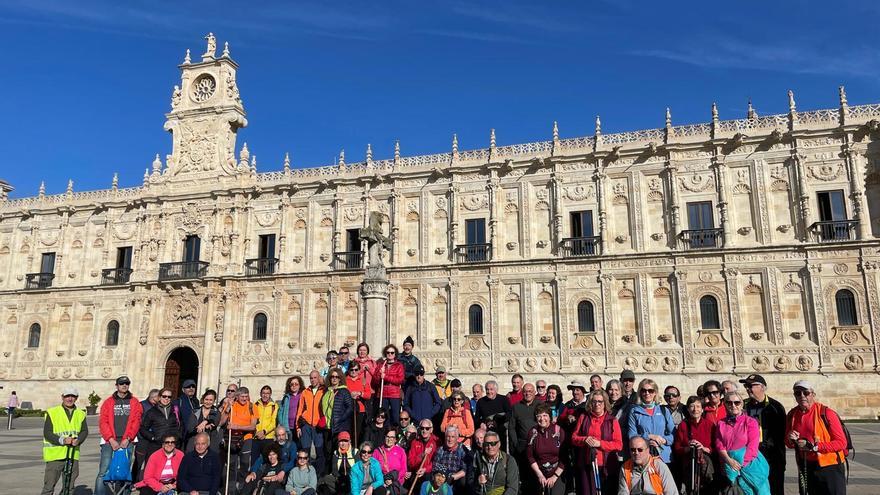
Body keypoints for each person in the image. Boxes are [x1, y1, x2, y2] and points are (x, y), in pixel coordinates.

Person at [784, 380, 848, 495]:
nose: (802, 396)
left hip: (830, 466)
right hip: (806, 465)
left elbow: (841, 443)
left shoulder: (826, 413)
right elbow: (789, 444)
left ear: (813, 394)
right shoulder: (792, 414)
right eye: (798, 393)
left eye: (806, 393)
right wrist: (790, 438)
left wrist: (815, 447)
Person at [714, 391, 770, 494]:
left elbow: (752, 447)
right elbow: (719, 444)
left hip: (750, 465)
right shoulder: (721, 423)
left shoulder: (750, 422)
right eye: (729, 402)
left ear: (742, 404)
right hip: (730, 465)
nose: (733, 405)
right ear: (725, 404)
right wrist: (729, 461)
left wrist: (739, 466)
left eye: (737, 402)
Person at [741, 374, 787, 495]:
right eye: (746, 386)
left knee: (775, 488)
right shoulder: (743, 406)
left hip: (772, 456)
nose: (748, 389)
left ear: (763, 387)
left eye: (752, 385)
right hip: (751, 455)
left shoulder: (775, 406)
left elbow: (781, 433)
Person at [97, 375, 142, 495]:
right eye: (122, 384)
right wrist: (111, 439)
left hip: (127, 441)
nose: (124, 386)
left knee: (125, 471)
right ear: (116, 386)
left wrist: (127, 438)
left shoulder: (134, 402)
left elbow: (136, 421)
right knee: (104, 470)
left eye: (127, 383)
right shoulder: (109, 402)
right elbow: (103, 421)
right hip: (109, 441)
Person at [572, 390, 623, 495]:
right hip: (587, 464)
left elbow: (618, 445)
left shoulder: (612, 420)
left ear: (605, 403)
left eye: (600, 401)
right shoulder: (583, 417)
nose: (597, 404)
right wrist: (584, 440)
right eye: (594, 401)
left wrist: (600, 444)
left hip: (606, 466)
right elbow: (574, 438)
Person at [42, 387, 88, 495]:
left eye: (72, 396)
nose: (69, 399)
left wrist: (79, 440)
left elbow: (84, 431)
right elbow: (47, 433)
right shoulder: (52, 412)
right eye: (67, 396)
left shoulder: (80, 413)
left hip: (72, 454)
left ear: (76, 398)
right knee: (49, 487)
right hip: (55, 455)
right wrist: (62, 440)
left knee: (69, 487)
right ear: (62, 397)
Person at [672, 396, 714, 494]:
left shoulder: (710, 425)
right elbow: (677, 448)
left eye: (698, 406)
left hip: (706, 466)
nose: (695, 410)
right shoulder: (683, 425)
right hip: (689, 466)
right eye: (692, 406)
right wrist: (688, 448)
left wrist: (703, 448)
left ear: (702, 409)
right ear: (688, 409)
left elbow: (715, 447)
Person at [627, 379, 674, 464]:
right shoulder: (634, 411)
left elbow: (673, 434)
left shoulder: (664, 410)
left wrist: (663, 440)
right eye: (644, 390)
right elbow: (632, 435)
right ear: (640, 393)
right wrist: (649, 437)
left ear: (655, 392)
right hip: (643, 456)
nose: (647, 393)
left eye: (650, 391)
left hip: (664, 456)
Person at [527, 403, 567, 495]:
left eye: (545, 415)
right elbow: (530, 456)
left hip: (557, 472)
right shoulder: (532, 432)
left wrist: (554, 477)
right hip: (539, 472)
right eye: (539, 416)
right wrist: (539, 475)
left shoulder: (559, 431)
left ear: (550, 417)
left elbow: (564, 457)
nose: (542, 419)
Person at [224, 386, 259, 489]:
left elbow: (253, 426)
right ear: (237, 396)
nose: (244, 399)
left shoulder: (252, 407)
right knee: (231, 465)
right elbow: (221, 422)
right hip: (232, 438)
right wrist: (227, 409)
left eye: (246, 396)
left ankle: (242, 488)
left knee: (244, 464)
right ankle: (230, 489)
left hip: (246, 438)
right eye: (242, 396)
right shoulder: (232, 405)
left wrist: (236, 426)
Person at [468, 430, 519, 495]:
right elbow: (469, 483)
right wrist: (477, 482)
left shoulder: (509, 460)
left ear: (499, 444)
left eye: (493, 443)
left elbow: (512, 488)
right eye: (487, 444)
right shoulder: (478, 459)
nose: (490, 447)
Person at [297, 371, 327, 475]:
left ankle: (319, 474)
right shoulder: (305, 392)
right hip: (306, 424)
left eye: (315, 377)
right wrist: (298, 427)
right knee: (305, 451)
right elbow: (300, 410)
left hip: (318, 425)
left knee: (319, 451)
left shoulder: (324, 390)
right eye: (311, 378)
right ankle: (305, 473)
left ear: (319, 378)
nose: (313, 380)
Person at [139, 388, 182, 460]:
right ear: (159, 397)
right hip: (157, 445)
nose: (166, 398)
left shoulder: (175, 410)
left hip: (173, 445)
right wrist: (152, 437)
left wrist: (178, 436)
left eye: (169, 397)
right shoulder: (152, 412)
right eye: (164, 396)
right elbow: (143, 428)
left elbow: (181, 425)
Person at [509, 382, 538, 490]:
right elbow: (512, 427)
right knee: (524, 475)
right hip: (522, 445)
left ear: (534, 392)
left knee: (536, 474)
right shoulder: (516, 407)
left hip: (537, 445)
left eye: (530, 391)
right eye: (525, 391)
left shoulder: (540, 405)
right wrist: (516, 444)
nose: (528, 393)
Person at [373, 344, 406, 426]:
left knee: (395, 417)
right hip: (382, 394)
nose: (390, 354)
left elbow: (400, 380)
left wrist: (386, 377)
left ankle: (395, 434)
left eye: (392, 352)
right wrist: (379, 375)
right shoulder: (381, 365)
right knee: (384, 416)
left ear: (395, 354)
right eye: (388, 352)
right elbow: (375, 381)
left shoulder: (399, 365)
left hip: (394, 395)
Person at [475, 380, 512, 450]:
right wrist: (481, 423)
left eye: (491, 389)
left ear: (496, 390)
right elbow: (476, 418)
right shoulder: (481, 402)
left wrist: (498, 421)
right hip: (487, 433)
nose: (489, 392)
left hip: (501, 433)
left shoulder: (503, 400)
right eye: (487, 389)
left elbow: (509, 414)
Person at [318, 430, 356, 495]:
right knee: (323, 479)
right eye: (341, 441)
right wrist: (339, 478)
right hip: (339, 479)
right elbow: (334, 470)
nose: (343, 443)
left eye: (345, 441)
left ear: (349, 442)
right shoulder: (336, 453)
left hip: (352, 479)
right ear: (338, 442)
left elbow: (358, 469)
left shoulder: (355, 452)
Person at [432, 425, 468, 492]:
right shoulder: (440, 450)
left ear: (457, 438)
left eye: (452, 437)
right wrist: (442, 477)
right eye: (448, 436)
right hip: (442, 477)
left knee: (463, 481)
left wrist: (453, 477)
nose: (450, 439)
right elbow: (435, 468)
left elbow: (465, 469)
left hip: (456, 478)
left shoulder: (462, 449)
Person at [323, 367, 354, 444]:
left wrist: (341, 418)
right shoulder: (327, 391)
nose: (334, 379)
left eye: (337, 377)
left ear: (340, 379)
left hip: (338, 426)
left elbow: (350, 407)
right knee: (327, 450)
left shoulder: (344, 391)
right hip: (327, 426)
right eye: (332, 377)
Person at [406, 419, 438, 491]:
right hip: (416, 472)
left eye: (427, 428)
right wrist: (422, 455)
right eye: (422, 428)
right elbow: (411, 463)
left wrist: (426, 469)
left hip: (430, 473)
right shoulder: (414, 442)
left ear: (431, 430)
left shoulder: (437, 442)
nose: (424, 430)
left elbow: (436, 463)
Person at [185, 389, 220, 453]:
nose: (208, 402)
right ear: (203, 399)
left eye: (210, 400)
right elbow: (190, 428)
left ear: (214, 401)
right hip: (195, 441)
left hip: (210, 442)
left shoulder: (216, 411)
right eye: (206, 399)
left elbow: (214, 422)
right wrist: (201, 427)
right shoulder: (195, 411)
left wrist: (204, 423)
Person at [347, 363, 372, 444]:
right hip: (348, 409)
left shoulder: (363, 380)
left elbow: (368, 395)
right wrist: (349, 395)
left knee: (358, 432)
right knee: (349, 431)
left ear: (358, 371)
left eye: (356, 370)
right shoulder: (344, 380)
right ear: (348, 370)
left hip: (360, 409)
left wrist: (360, 393)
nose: (354, 372)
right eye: (352, 370)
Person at [254, 385, 278, 461]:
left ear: (270, 394)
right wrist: (257, 433)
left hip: (268, 437)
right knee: (254, 460)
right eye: (263, 393)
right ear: (260, 394)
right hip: (256, 437)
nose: (265, 395)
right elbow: (253, 420)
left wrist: (264, 432)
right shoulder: (256, 405)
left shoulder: (274, 406)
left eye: (267, 393)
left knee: (267, 460)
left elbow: (273, 423)